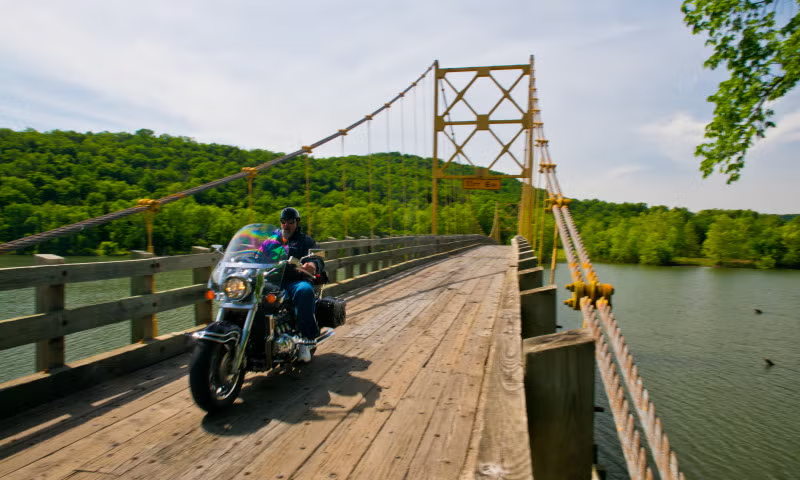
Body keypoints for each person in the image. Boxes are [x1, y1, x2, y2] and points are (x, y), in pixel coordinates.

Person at [261, 207, 324, 363]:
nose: (286, 225)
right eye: (283, 222)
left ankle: (306, 339)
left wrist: (313, 264)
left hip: (295, 281)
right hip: (273, 282)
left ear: (297, 222)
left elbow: (318, 257)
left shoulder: (305, 241)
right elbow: (257, 256)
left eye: (290, 222)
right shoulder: (271, 241)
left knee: (304, 291)